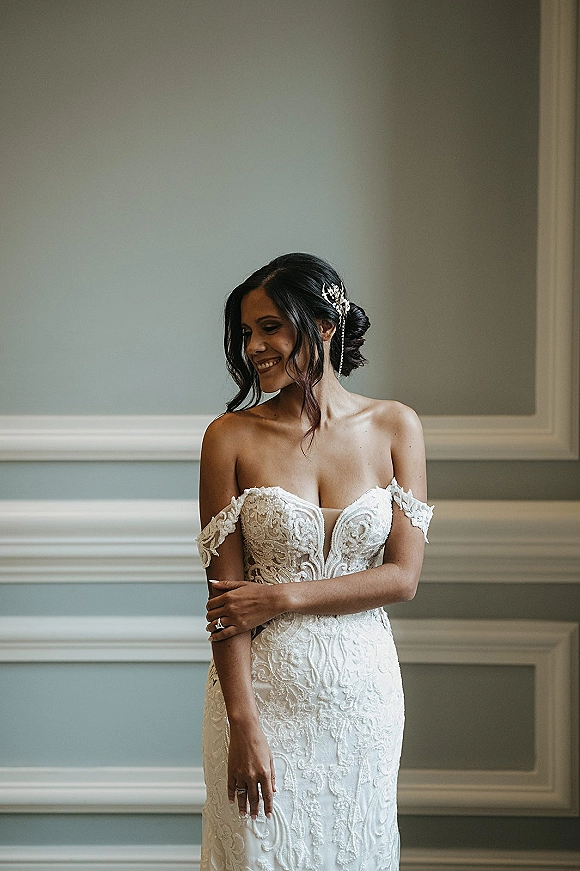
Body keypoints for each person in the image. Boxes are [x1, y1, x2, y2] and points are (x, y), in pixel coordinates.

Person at [196, 253, 433, 871]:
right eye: (246, 333)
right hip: (261, 699)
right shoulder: (230, 439)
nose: (254, 347)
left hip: (363, 699)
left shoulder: (395, 427)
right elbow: (226, 602)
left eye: (270, 327)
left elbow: (402, 578)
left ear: (324, 326)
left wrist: (279, 597)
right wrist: (241, 722)